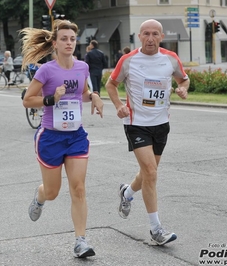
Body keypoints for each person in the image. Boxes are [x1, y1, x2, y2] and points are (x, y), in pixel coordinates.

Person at [21, 19, 104, 258]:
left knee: (78, 188)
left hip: (76, 136)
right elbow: (28, 100)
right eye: (64, 39)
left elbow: (84, 94)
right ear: (55, 44)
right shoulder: (46, 70)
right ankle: (40, 196)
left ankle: (81, 241)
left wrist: (95, 97)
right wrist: (50, 100)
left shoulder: (82, 67)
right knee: (53, 191)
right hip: (50, 137)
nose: (69, 43)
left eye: (72, 39)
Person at [105, 19, 189, 246]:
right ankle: (156, 230)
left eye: (154, 34)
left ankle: (127, 193)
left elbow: (184, 78)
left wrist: (182, 88)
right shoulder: (128, 60)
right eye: (145, 34)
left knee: (148, 172)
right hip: (136, 123)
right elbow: (110, 84)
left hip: (161, 124)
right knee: (151, 173)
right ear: (139, 36)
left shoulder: (170, 58)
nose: (150, 38)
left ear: (161, 36)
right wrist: (119, 106)